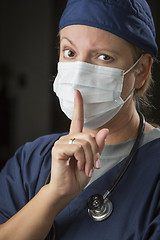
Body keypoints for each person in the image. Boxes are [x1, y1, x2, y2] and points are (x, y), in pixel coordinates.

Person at [0, 0, 160, 239]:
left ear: (141, 71)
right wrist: (53, 195)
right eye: (70, 52)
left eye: (104, 57)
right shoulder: (30, 161)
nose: (80, 72)